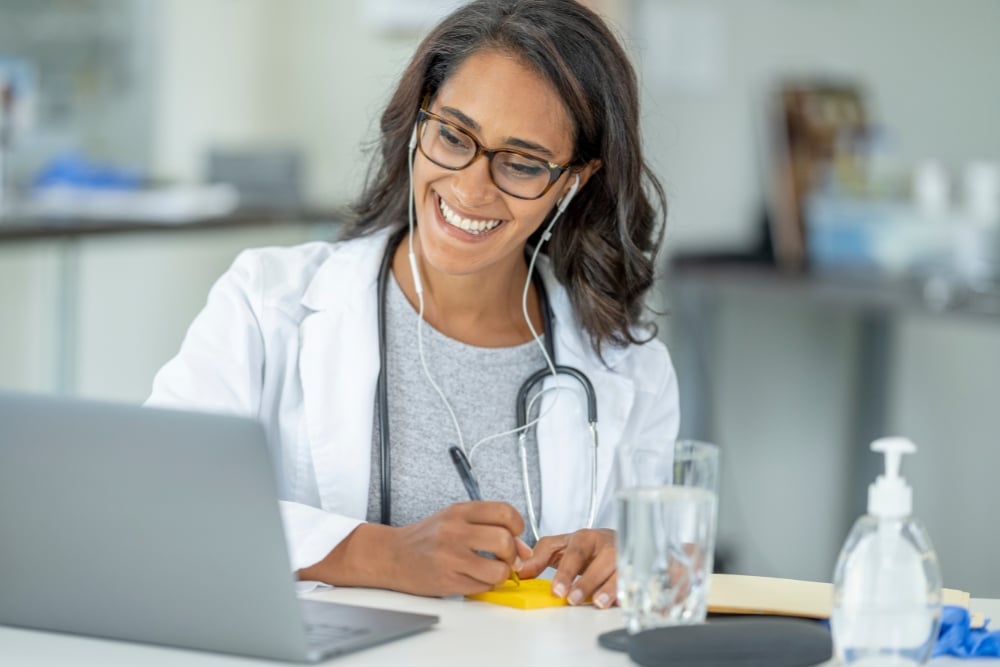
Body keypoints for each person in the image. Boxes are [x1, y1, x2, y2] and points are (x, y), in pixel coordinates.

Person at [147, 0, 678, 611]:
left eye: (523, 163)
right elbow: (162, 496)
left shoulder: (631, 372)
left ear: (572, 181)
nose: (471, 188)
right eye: (454, 135)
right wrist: (381, 555)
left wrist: (631, 558)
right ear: (419, 121)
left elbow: (648, 582)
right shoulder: (268, 301)